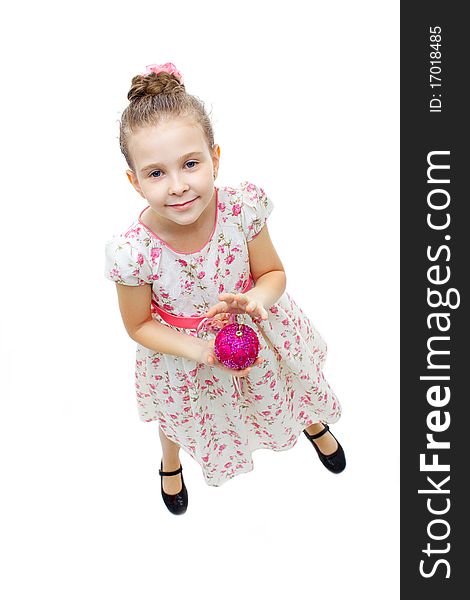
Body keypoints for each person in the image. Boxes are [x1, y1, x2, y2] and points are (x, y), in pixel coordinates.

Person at [104, 62, 346, 516]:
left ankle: (310, 422)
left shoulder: (240, 208)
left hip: (259, 334)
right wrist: (200, 352)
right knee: (177, 415)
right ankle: (170, 463)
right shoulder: (132, 253)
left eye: (190, 164)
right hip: (185, 356)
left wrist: (256, 299)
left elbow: (273, 273)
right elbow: (137, 324)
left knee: (285, 380)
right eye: (156, 174)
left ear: (214, 158)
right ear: (134, 182)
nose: (178, 186)